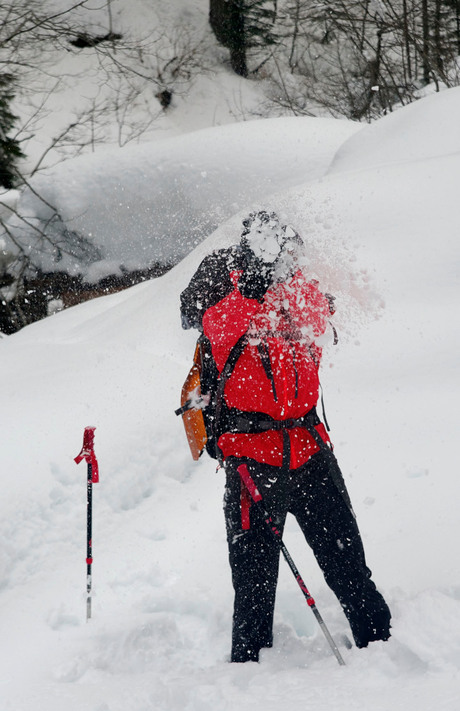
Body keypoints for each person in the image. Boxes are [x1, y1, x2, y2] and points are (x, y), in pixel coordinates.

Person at [180, 210, 391, 663]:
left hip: (310, 451)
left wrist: (287, 278)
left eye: (285, 247)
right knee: (254, 588)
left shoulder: (298, 291)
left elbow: (322, 314)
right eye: (271, 246)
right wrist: (238, 277)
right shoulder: (223, 290)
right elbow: (194, 314)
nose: (279, 255)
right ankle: (249, 677)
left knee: (350, 568)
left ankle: (385, 652)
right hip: (251, 461)